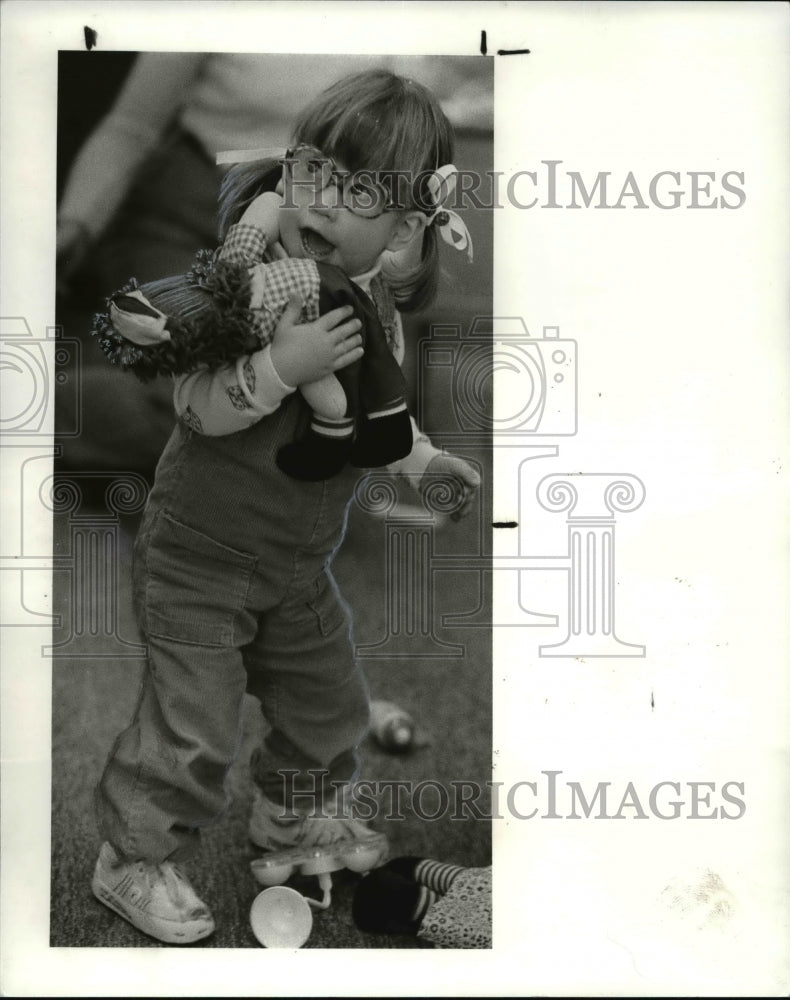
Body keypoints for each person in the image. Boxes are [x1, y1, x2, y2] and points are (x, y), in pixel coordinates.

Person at [90, 69, 482, 945]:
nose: (323, 203)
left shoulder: (372, 302)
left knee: (331, 710)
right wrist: (281, 367)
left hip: (298, 569)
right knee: (190, 728)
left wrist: (421, 461)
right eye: (311, 173)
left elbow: (382, 413)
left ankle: (289, 819)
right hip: (198, 558)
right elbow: (197, 408)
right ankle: (131, 855)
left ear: (407, 228)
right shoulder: (247, 285)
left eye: (358, 193)